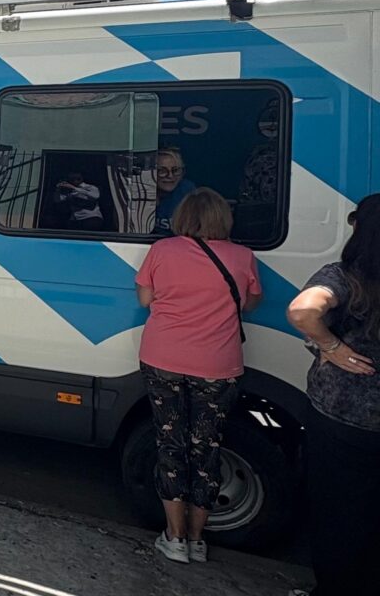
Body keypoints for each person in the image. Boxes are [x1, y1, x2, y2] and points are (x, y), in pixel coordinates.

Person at [134, 187, 262, 564]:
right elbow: (251, 302)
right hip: (218, 366)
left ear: (183, 218)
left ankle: (173, 539)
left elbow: (145, 299)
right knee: (205, 449)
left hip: (164, 359)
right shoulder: (242, 256)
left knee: (170, 444)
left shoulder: (163, 250)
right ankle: (196, 539)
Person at [286, 195, 380, 596]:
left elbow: (303, 311)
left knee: (337, 514)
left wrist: (333, 347)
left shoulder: (346, 277)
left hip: (343, 419)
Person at [153, 147, 197, 234]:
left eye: (175, 170)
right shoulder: (142, 190)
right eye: (162, 170)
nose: (170, 176)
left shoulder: (188, 191)